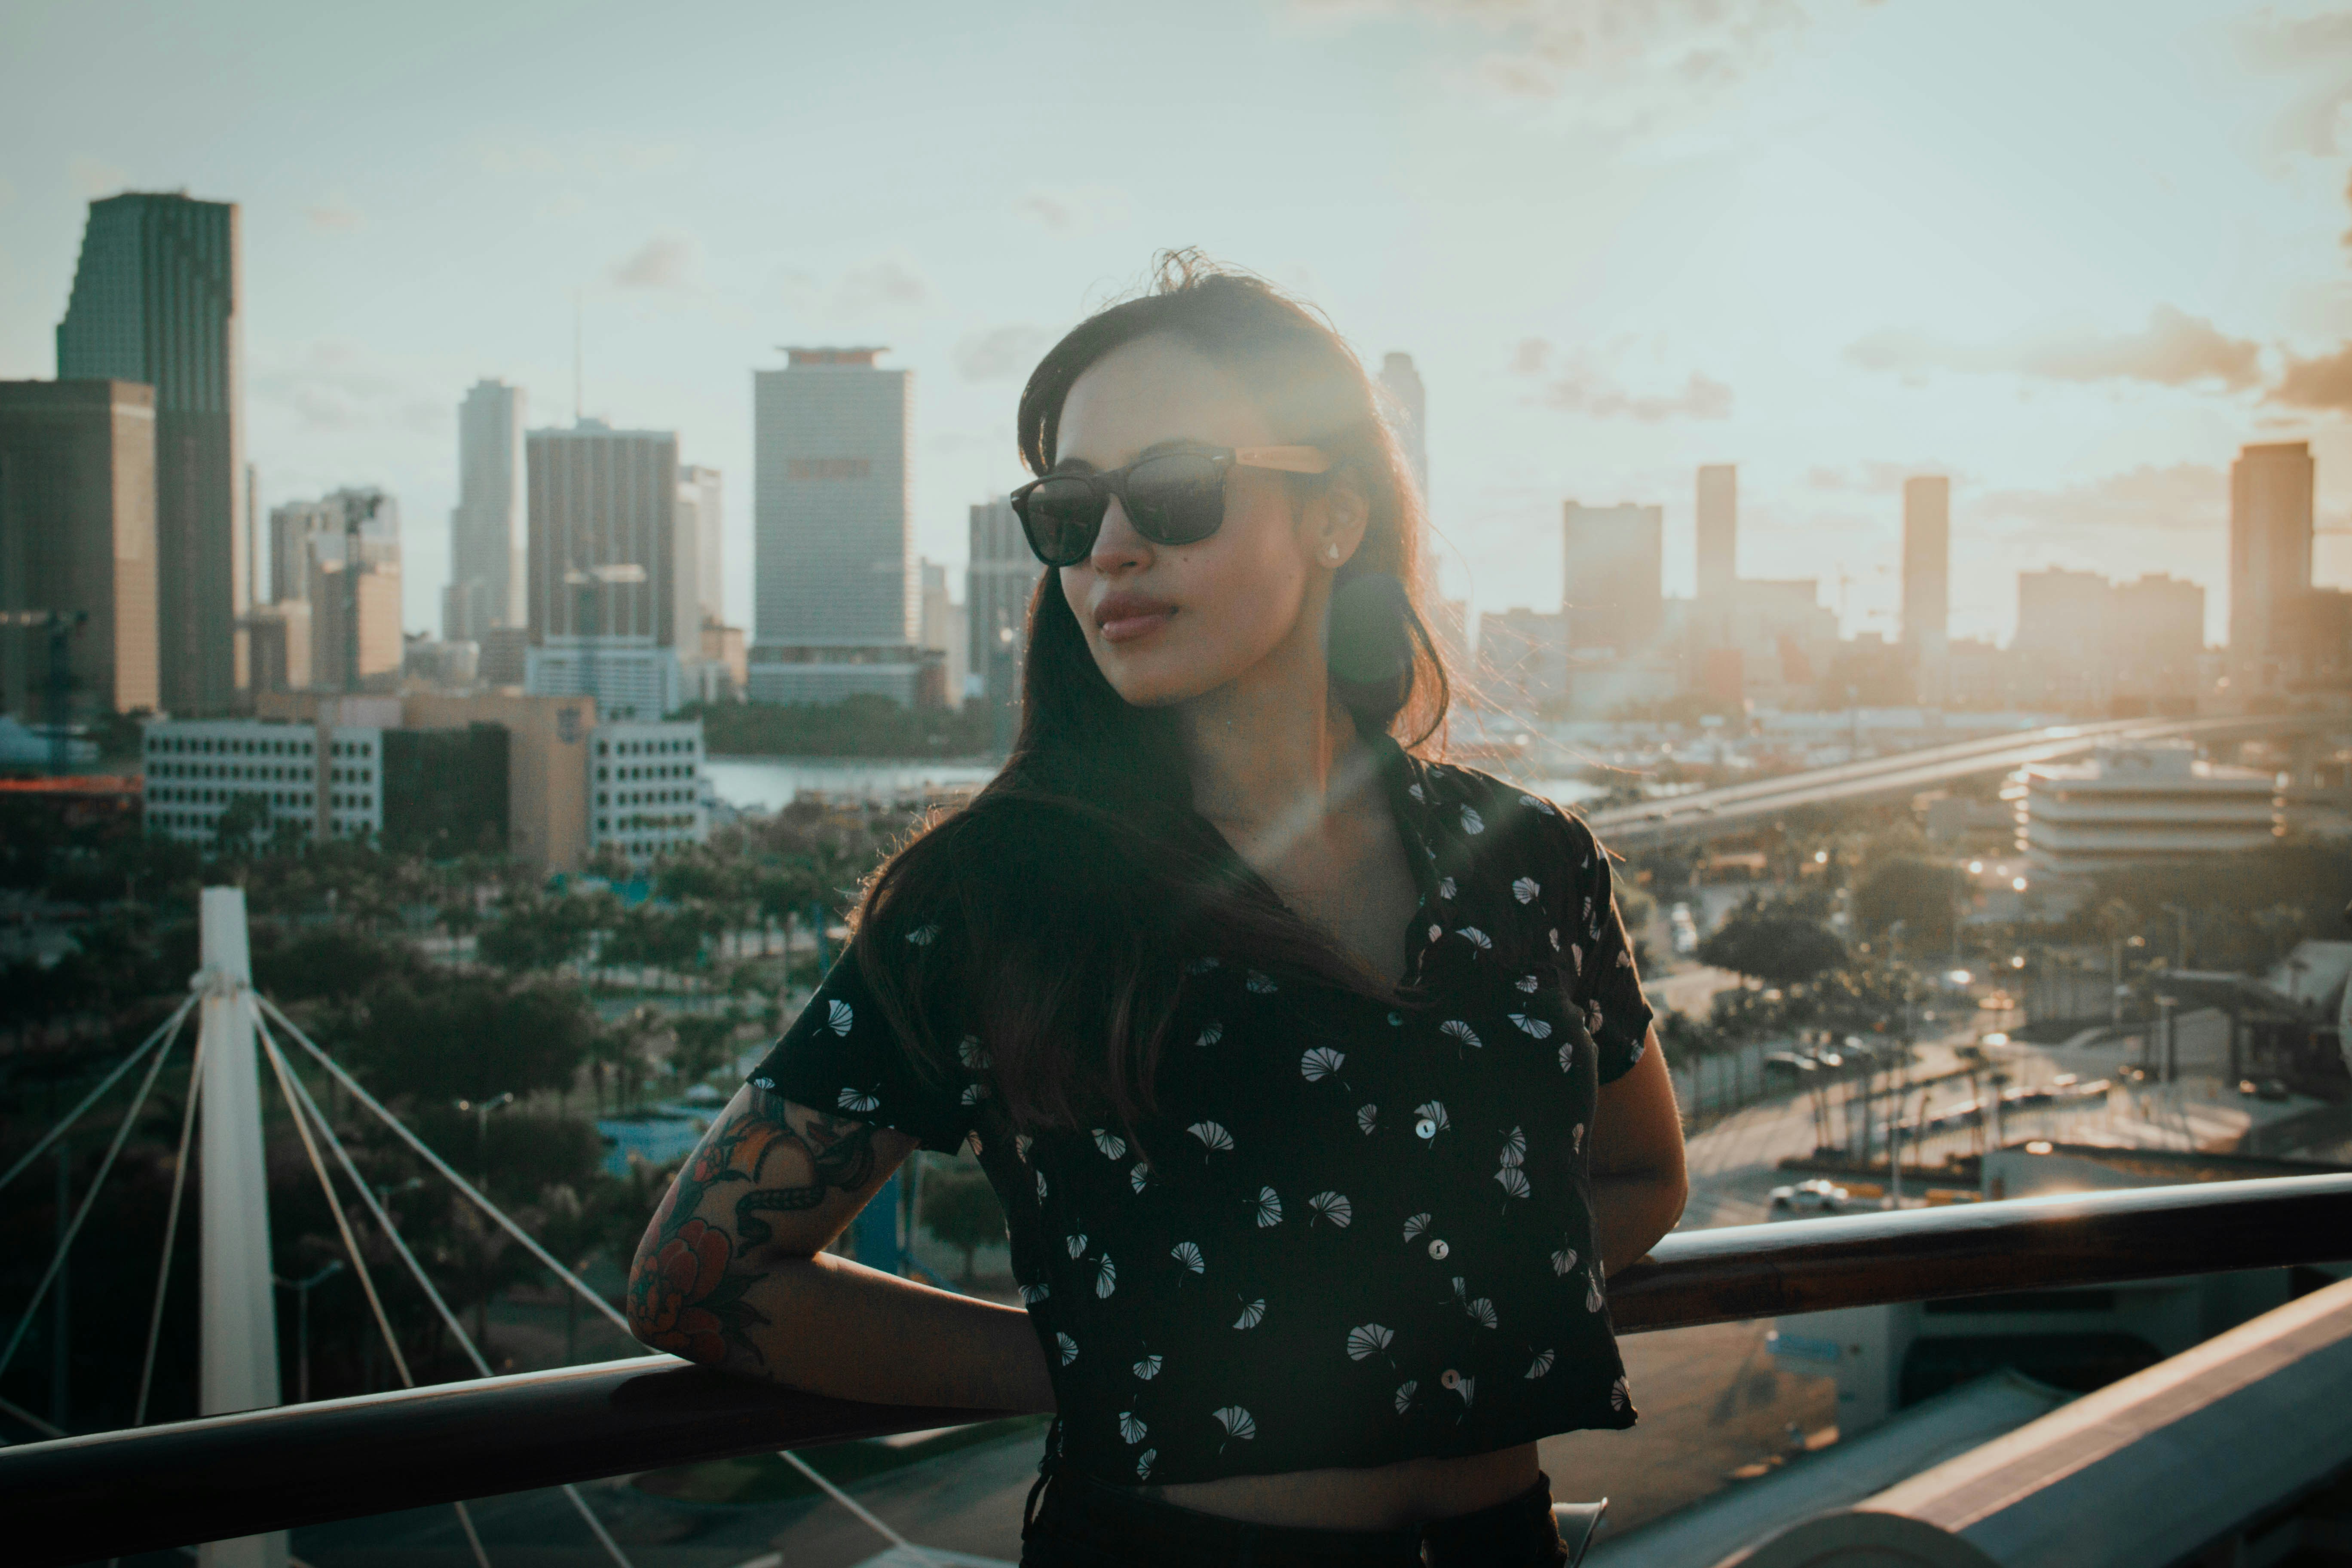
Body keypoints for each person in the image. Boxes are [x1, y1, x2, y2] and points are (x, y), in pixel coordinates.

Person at [627, 253, 1689, 1567]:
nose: (1113, 549)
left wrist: (1437, 1302)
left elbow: (1642, 1175)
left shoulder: (1528, 859)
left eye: (1178, 490)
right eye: (1070, 511)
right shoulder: (1001, 894)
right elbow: (704, 1275)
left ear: (1335, 515)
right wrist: (1106, 1357)